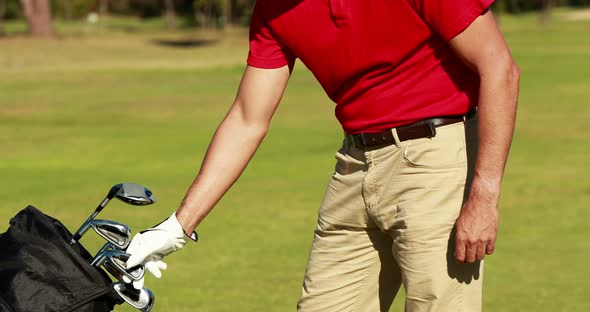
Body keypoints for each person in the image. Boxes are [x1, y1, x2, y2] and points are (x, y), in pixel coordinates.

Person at [125, 0, 520, 310]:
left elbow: (499, 68)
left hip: (436, 158)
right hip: (354, 165)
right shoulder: (273, 10)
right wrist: (178, 226)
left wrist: (484, 196)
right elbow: (247, 118)